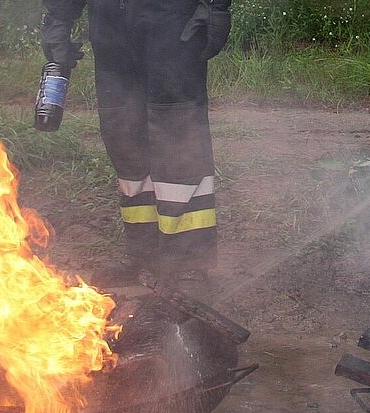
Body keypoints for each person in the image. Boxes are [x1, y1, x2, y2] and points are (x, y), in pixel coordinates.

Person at [40, 0, 231, 287]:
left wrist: (217, 7)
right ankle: (144, 255)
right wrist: (58, 19)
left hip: (173, 22)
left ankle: (188, 262)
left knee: (178, 135)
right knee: (124, 137)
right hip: (109, 26)